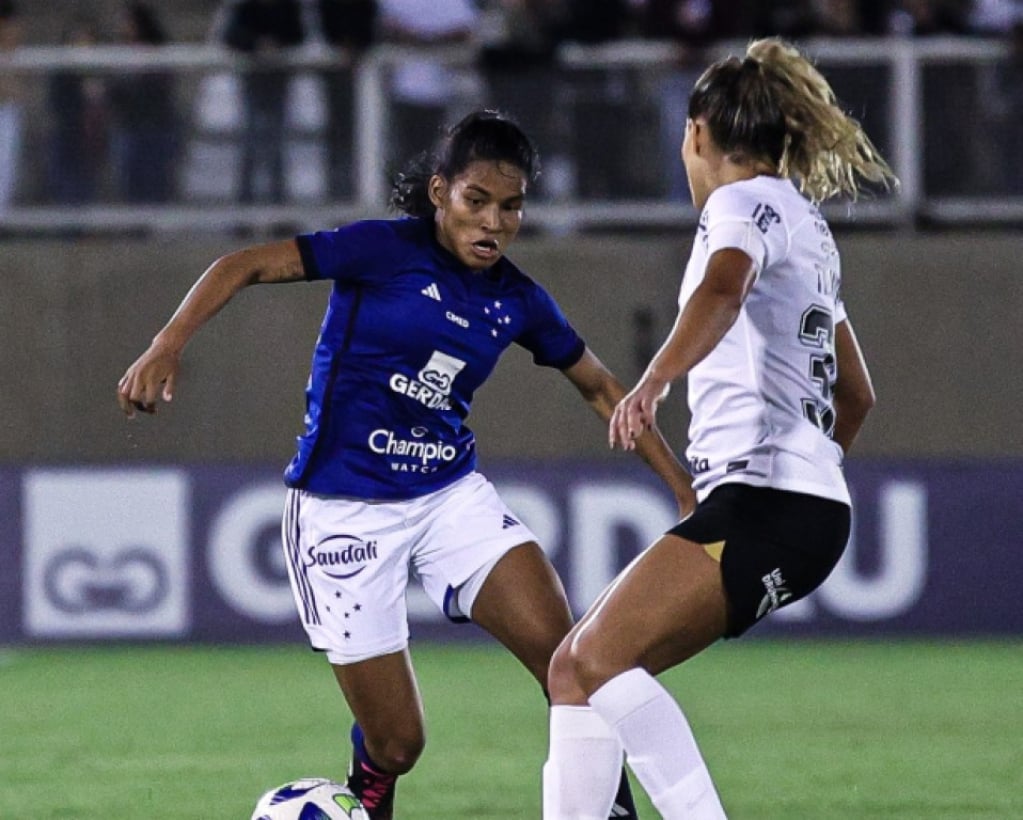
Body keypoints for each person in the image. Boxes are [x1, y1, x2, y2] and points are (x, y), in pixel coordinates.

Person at [116, 110, 695, 820]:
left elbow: (603, 388)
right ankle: (366, 792)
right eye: (475, 200)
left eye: (509, 206)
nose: (493, 222)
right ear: (438, 193)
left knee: (573, 665)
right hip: (343, 508)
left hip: (451, 498)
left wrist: (682, 490)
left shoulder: (516, 300)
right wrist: (165, 345)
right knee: (397, 745)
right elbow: (240, 265)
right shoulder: (382, 251)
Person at [542, 38, 897, 818]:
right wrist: (806, 475)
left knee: (597, 658)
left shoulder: (738, 208)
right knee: (575, 671)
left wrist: (655, 379)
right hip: (793, 505)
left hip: (767, 501)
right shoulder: (807, 228)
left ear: (695, 132)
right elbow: (857, 396)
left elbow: (724, 289)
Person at [218, 0, 305, 203]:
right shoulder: (247, 8)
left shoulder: (288, 8)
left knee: (276, 146)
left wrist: (278, 45)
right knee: (250, 144)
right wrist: (256, 44)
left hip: (278, 85)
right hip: (254, 85)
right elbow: (231, 36)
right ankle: (245, 204)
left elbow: (298, 36)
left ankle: (278, 204)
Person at [107, 2, 180, 203]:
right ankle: (134, 223)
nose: (122, 26)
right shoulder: (118, 53)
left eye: (127, 21)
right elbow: (113, 90)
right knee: (130, 178)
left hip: (155, 125)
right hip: (129, 125)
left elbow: (164, 86)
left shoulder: (158, 50)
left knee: (154, 176)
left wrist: (141, 78)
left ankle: (152, 219)